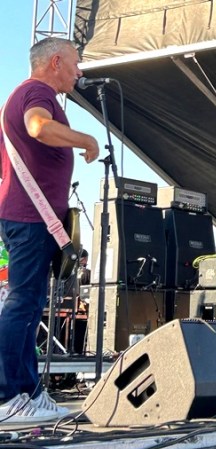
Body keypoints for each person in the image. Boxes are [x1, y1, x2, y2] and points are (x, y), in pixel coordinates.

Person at [0, 38, 99, 422]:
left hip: (29, 217)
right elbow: (38, 127)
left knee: (29, 304)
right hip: (29, 218)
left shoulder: (26, 94)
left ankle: (28, 390)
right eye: (75, 63)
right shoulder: (37, 92)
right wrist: (85, 140)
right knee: (23, 303)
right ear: (55, 61)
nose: (79, 71)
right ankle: (9, 397)